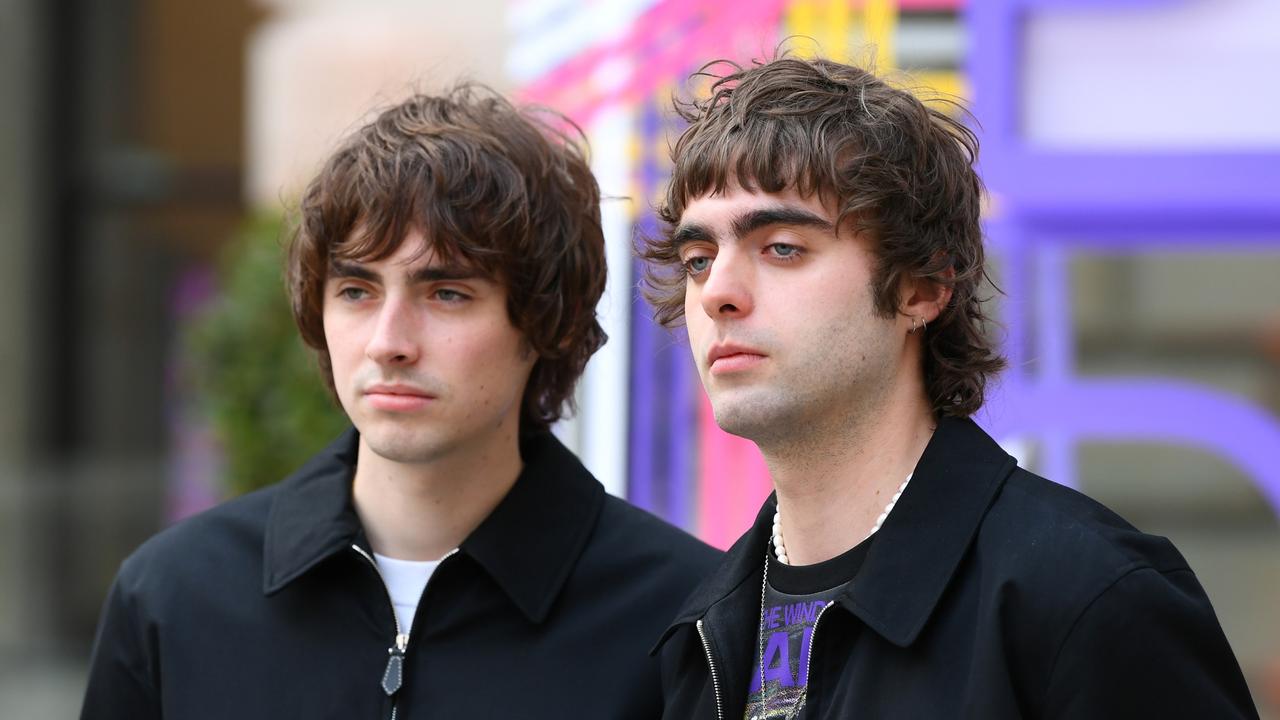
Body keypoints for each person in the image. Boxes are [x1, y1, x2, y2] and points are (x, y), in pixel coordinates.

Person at [643, 55, 1258, 719]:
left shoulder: (1085, 596)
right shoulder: (702, 630)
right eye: (698, 260)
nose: (718, 295)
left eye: (783, 247)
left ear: (922, 287)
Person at [81, 84, 719, 719]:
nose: (388, 343)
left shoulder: (681, 617)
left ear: (544, 322)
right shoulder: (173, 596)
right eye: (357, 291)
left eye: (446, 293)